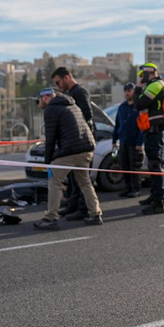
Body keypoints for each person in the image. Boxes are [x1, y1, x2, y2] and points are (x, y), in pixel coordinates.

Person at [34, 88, 101, 229]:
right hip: (86, 148)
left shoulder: (51, 109)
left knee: (54, 180)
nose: (38, 104)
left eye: (38, 100)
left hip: (71, 150)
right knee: (84, 181)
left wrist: (48, 161)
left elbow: (50, 137)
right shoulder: (72, 104)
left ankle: (50, 218)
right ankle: (95, 214)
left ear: (45, 98)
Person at [52, 66, 95, 221]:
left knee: (82, 179)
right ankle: (73, 205)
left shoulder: (79, 92)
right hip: (75, 142)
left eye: (58, 82)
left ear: (66, 78)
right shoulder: (72, 93)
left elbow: (87, 114)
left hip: (82, 142)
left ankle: (83, 209)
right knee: (74, 178)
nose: (58, 86)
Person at [135, 63, 164, 215]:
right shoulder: (159, 85)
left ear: (148, 73)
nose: (140, 78)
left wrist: (138, 88)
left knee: (155, 165)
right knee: (157, 164)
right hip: (156, 130)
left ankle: (159, 202)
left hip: (154, 131)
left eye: (141, 75)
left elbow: (139, 103)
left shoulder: (155, 85)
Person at [112, 82, 145, 197]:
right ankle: (128, 187)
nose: (127, 93)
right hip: (123, 142)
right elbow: (117, 125)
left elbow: (142, 126)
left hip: (134, 143)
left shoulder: (138, 107)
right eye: (125, 91)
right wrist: (114, 140)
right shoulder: (122, 107)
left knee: (134, 166)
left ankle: (136, 188)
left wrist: (139, 142)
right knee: (125, 166)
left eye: (129, 91)